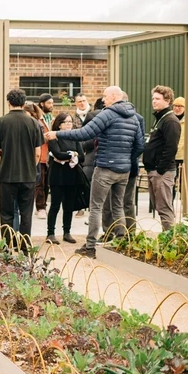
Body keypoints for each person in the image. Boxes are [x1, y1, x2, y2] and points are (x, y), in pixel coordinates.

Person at [46, 86, 144, 258]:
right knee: (118, 205)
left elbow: (84, 133)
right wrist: (126, 159)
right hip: (124, 169)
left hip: (106, 167)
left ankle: (90, 247)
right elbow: (140, 145)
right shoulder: (134, 117)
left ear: (114, 96)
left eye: (105, 96)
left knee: (96, 207)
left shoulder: (108, 114)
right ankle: (120, 241)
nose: (103, 100)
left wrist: (57, 134)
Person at [0, 89, 44, 252]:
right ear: (24, 103)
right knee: (26, 213)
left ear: (9, 102)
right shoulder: (34, 123)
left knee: (7, 213)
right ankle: (24, 247)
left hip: (7, 174)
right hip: (28, 175)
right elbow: (38, 152)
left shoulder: (1, 122)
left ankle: (7, 246)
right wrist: (31, 166)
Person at [102, 92, 144, 237]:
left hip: (128, 167)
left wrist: (128, 158)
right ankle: (109, 231)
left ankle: (130, 233)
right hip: (121, 164)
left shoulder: (138, 119)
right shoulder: (108, 115)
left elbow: (139, 144)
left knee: (127, 201)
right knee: (109, 202)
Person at [143, 85, 181, 232]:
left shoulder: (170, 121)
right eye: (153, 98)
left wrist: (160, 169)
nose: (154, 101)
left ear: (168, 100)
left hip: (162, 172)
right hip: (154, 170)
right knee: (159, 207)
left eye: (158, 99)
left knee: (164, 208)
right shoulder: (160, 118)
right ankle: (168, 238)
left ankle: (171, 240)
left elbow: (171, 148)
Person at [46, 113, 84, 245]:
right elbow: (57, 154)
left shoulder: (75, 137)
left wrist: (68, 155)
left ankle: (66, 232)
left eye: (70, 122)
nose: (69, 124)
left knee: (68, 206)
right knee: (55, 205)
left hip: (72, 176)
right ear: (59, 124)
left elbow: (83, 156)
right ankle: (50, 233)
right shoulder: (53, 137)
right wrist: (72, 155)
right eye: (66, 122)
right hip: (57, 176)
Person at [35, 93, 54, 219]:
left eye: (52, 103)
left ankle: (43, 205)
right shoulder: (37, 119)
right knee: (40, 183)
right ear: (42, 104)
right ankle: (40, 207)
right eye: (49, 103)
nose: (51, 105)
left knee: (47, 183)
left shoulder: (51, 119)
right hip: (40, 154)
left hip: (50, 155)